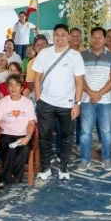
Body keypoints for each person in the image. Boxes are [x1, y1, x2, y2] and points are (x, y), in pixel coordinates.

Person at [32, 24, 86, 180]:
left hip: (67, 103)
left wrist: (77, 103)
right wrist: (39, 99)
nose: (60, 38)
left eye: (63, 35)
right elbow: (37, 77)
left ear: (68, 36)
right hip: (46, 102)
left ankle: (64, 167)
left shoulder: (75, 56)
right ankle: (46, 167)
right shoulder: (44, 53)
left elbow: (79, 81)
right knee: (44, 136)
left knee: (67, 136)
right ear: (53, 36)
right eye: (57, 35)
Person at [78, 27, 111, 170]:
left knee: (106, 131)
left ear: (105, 39)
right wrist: (90, 92)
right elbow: (80, 78)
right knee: (85, 132)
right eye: (94, 37)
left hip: (106, 100)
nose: (96, 40)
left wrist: (99, 94)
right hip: (86, 99)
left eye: (100, 37)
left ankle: (107, 160)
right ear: (90, 39)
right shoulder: (82, 56)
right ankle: (84, 159)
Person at [0, 76, 36, 186]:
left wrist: (28, 137)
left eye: (17, 85)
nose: (14, 88)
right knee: (10, 147)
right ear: (7, 88)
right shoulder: (2, 103)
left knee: (25, 148)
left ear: (22, 88)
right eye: (11, 85)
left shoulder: (28, 103)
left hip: (23, 135)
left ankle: (7, 177)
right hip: (5, 134)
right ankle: (10, 177)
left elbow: (31, 123)